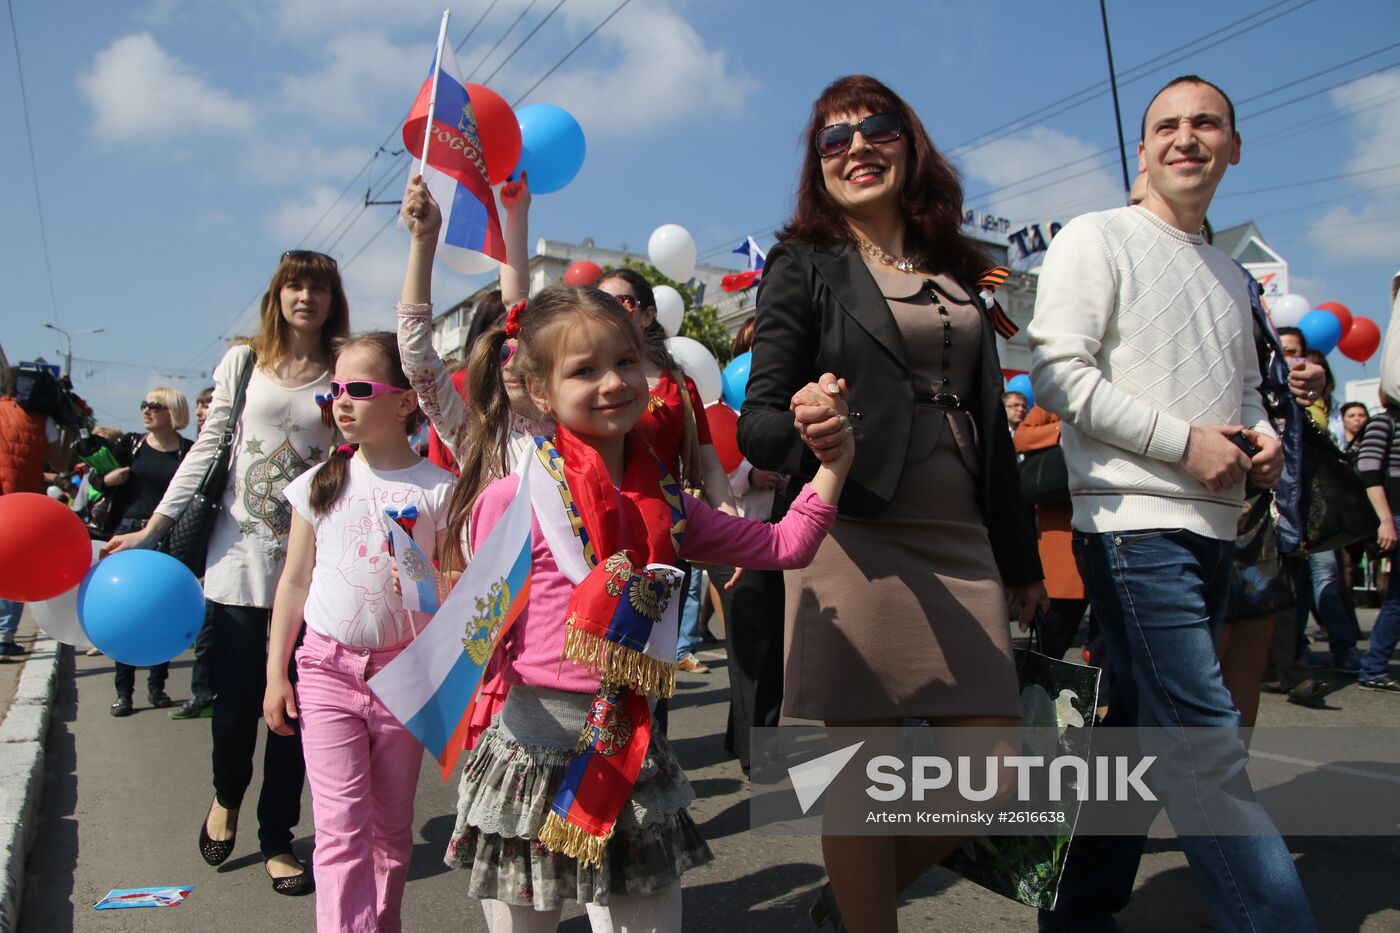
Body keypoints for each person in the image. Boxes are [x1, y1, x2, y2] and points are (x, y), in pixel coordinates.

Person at [436, 280, 851, 931]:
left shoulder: (671, 507)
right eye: (584, 370)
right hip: (527, 755)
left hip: (628, 752)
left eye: (625, 361)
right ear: (539, 390)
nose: (612, 382)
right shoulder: (509, 502)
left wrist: (834, 463)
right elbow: (478, 636)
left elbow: (785, 544)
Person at [737, 74, 1045, 930]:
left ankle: (847, 905)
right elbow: (759, 425)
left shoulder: (962, 266)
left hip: (961, 535)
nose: (857, 148)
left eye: (876, 128)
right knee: (861, 788)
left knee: (996, 774)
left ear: (911, 144)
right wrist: (810, 423)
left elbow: (994, 423)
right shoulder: (803, 263)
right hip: (853, 537)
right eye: (833, 139)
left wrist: (1019, 558)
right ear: (818, 165)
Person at [1030, 74, 1315, 931]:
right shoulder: (1097, 235)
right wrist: (1185, 442)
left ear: (1234, 146)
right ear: (1143, 150)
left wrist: (1262, 440)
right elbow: (1059, 375)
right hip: (1132, 528)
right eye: (1168, 126)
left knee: (1130, 733)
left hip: (1217, 529)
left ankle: (1074, 910)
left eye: (1206, 124)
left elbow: (1245, 391)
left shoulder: (1232, 274)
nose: (1186, 138)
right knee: (1204, 744)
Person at [104, 250, 349, 894]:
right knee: (236, 704)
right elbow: (208, 448)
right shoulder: (244, 363)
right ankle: (226, 796)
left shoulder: (343, 368)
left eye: (319, 288)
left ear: (333, 300)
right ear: (278, 295)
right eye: (295, 285)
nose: (306, 297)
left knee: (293, 709)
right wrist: (153, 528)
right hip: (238, 563)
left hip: (313, 568)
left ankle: (278, 837)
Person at [263, 331, 454, 931]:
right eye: (336, 389)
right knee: (340, 828)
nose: (341, 401)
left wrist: (429, 585)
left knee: (391, 831)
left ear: (405, 402)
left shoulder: (439, 490)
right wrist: (276, 674)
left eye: (360, 388)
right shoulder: (320, 483)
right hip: (326, 669)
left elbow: (456, 590)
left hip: (405, 675)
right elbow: (294, 582)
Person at [596, 267, 738, 678]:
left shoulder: (679, 385)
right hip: (600, 532)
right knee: (603, 663)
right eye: (600, 303)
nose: (610, 312)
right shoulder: (583, 378)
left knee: (655, 666)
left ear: (647, 314)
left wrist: (730, 524)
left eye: (621, 302)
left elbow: (709, 464)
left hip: (666, 535)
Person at [90, 388, 194, 716]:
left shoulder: (189, 452)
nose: (146, 410)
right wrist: (108, 478)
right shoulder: (129, 445)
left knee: (162, 610)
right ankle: (124, 692)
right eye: (144, 405)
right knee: (126, 611)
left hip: (168, 534)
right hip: (128, 533)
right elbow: (94, 478)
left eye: (154, 405)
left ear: (173, 411)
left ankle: (157, 686)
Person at [1014, 405, 1088, 661]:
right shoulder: (1056, 401)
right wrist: (1063, 430)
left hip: (1113, 537)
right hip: (1064, 540)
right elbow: (1021, 437)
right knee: (1051, 643)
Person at [1356, 393, 1400, 692]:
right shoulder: (1384, 422)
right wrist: (1385, 520)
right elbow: (1368, 470)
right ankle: (1373, 667)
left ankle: (1373, 667)